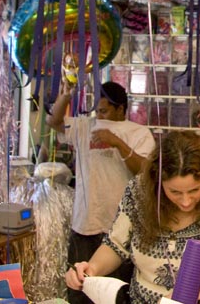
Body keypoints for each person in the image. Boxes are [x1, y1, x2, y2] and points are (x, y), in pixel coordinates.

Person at [65, 130, 200, 304]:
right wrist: (90, 269)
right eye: (174, 192)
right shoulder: (139, 192)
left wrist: (187, 292)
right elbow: (116, 244)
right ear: (157, 183)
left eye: (194, 190)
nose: (185, 201)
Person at [48, 81, 156, 304]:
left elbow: (146, 172)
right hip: (84, 225)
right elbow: (53, 121)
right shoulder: (85, 126)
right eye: (98, 110)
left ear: (120, 109)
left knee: (114, 295)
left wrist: (117, 142)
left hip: (120, 228)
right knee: (78, 291)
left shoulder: (139, 133)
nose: (100, 115)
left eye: (105, 110)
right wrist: (66, 95)